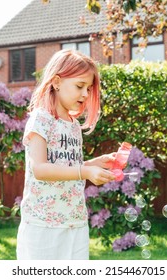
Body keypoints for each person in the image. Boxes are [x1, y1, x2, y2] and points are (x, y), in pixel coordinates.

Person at [16, 49, 116, 260]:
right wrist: (85, 171)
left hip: (75, 222)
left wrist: (93, 164)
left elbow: (66, 166)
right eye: (80, 86)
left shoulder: (73, 126)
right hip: (44, 226)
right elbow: (41, 169)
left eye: (88, 88)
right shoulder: (41, 120)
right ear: (57, 82)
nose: (85, 94)